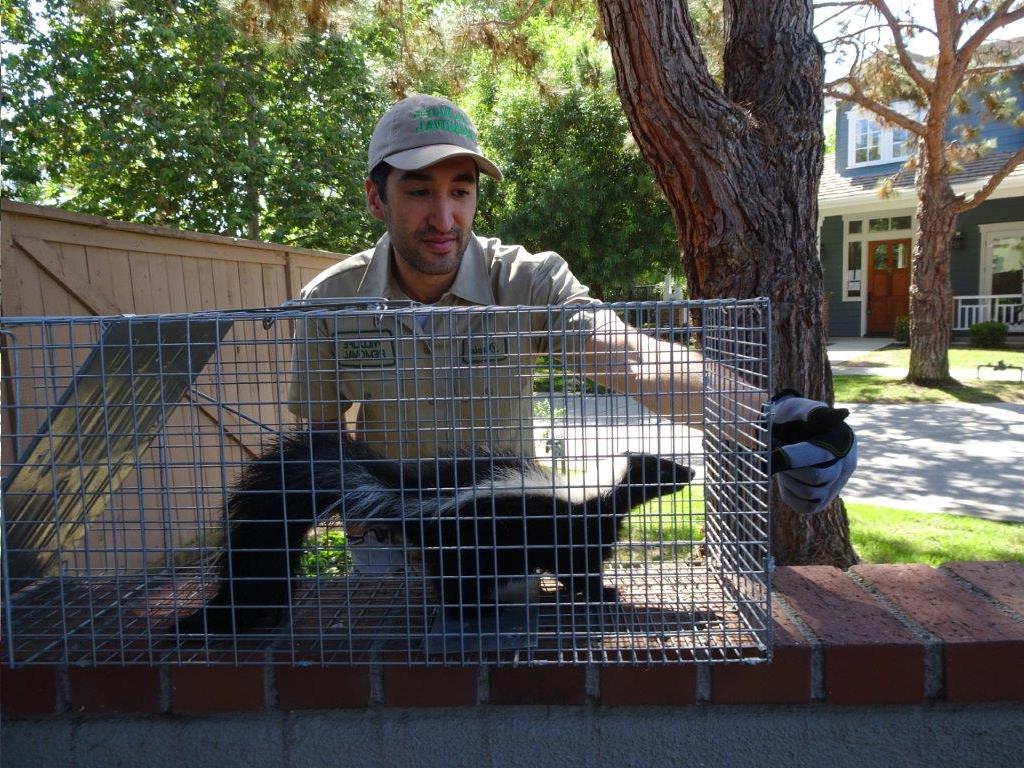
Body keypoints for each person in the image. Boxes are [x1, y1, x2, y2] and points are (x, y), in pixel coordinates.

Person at [287, 95, 856, 568]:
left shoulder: (528, 280)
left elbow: (629, 356)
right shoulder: (331, 301)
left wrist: (767, 416)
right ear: (376, 198)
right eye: (418, 192)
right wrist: (363, 519)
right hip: (391, 540)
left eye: (460, 191)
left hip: (502, 537)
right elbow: (323, 436)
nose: (445, 218)